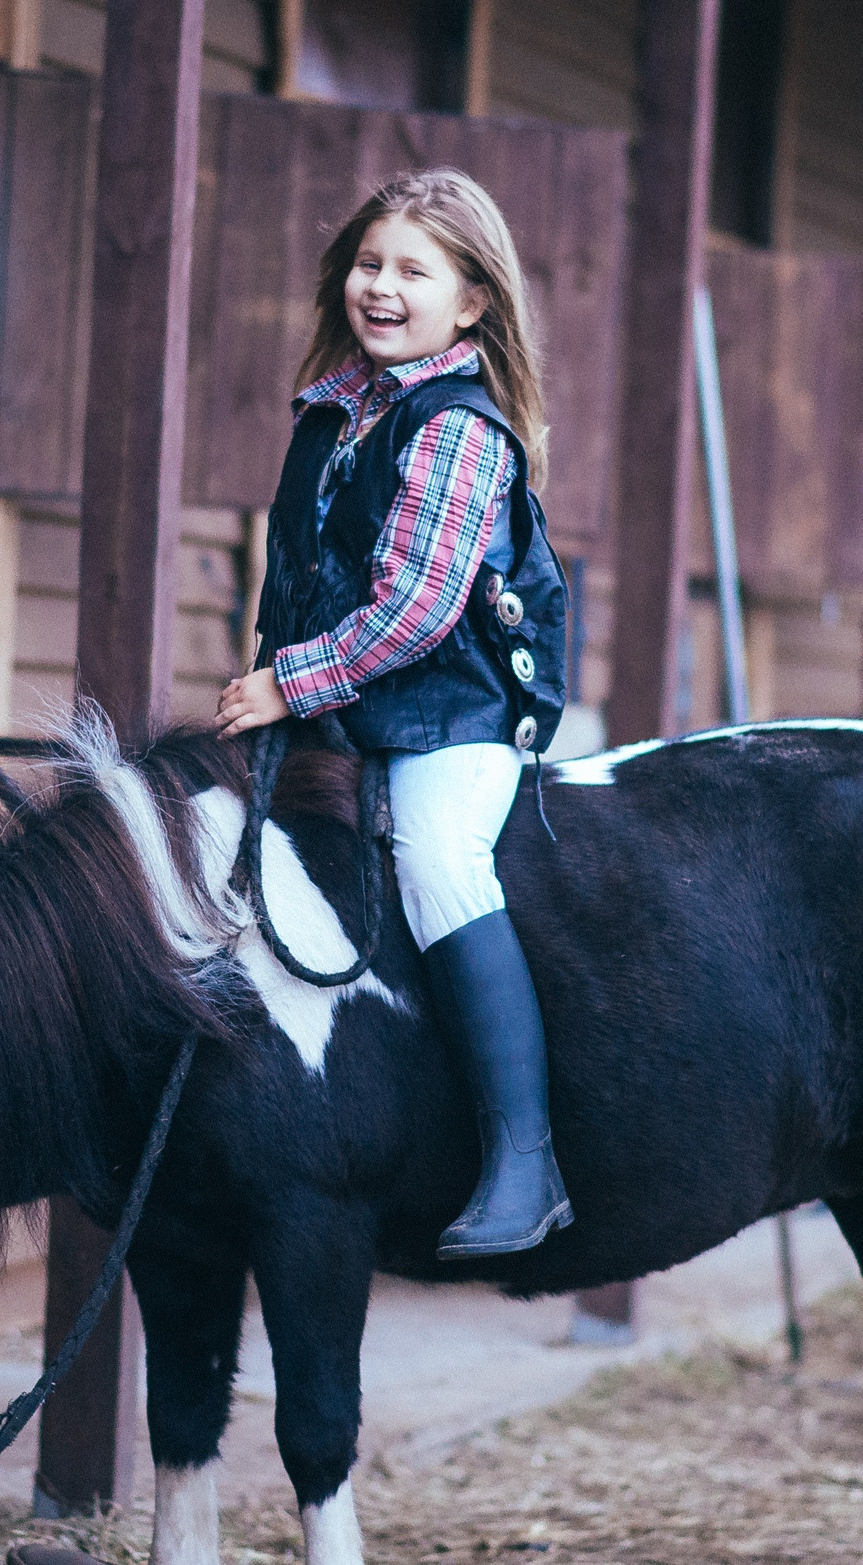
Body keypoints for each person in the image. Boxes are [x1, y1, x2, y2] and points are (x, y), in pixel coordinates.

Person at [216, 168, 571, 1259]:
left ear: (470, 302)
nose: (380, 285)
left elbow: (416, 608)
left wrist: (289, 681)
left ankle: (525, 1158)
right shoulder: (333, 412)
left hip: (448, 716)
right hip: (335, 706)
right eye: (370, 263)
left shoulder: (459, 428)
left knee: (439, 859)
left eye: (412, 269)